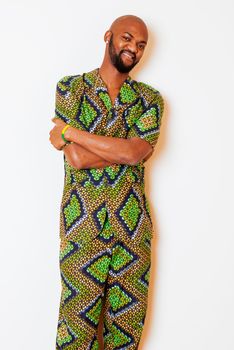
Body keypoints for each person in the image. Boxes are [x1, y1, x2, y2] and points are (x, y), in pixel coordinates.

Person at [49, 14, 164, 350]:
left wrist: (71, 133)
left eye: (141, 45)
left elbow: (134, 153)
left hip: (133, 232)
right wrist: (123, 149)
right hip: (81, 229)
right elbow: (76, 159)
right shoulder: (71, 88)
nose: (134, 48)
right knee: (75, 334)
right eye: (128, 38)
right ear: (109, 37)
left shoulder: (149, 100)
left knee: (125, 338)